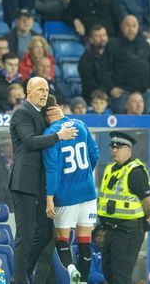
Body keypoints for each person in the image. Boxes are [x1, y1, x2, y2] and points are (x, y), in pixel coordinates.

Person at [8, 76, 78, 284]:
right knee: (26, 234)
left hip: (40, 185)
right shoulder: (22, 112)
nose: (44, 93)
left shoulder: (40, 114)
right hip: (24, 183)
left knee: (46, 233)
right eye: (40, 90)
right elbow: (30, 141)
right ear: (29, 92)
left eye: (46, 90)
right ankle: (19, 280)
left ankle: (22, 274)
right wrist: (59, 136)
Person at [42, 94, 100, 283]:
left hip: (66, 194)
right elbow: (95, 154)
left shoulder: (51, 134)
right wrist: (84, 175)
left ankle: (71, 268)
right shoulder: (80, 125)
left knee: (62, 238)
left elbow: (51, 169)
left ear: (47, 114)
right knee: (85, 239)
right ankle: (83, 281)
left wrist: (49, 197)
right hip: (88, 193)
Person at [97, 131, 150, 284]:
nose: (114, 150)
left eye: (119, 147)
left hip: (128, 231)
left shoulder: (135, 172)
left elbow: (149, 205)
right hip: (110, 229)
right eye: (112, 147)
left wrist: (138, 219)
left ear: (129, 150)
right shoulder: (109, 169)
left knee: (120, 276)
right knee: (108, 272)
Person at [112, 15, 150, 114]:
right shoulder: (113, 44)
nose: (130, 29)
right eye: (127, 25)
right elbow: (105, 68)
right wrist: (111, 87)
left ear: (138, 27)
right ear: (121, 26)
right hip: (122, 93)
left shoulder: (145, 44)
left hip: (143, 92)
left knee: (145, 124)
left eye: (134, 26)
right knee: (120, 124)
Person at [78, 25, 117, 103]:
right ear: (91, 39)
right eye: (98, 36)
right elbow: (89, 83)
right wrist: (110, 90)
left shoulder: (113, 53)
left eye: (104, 35)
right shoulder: (85, 59)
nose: (102, 38)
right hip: (94, 98)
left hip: (114, 92)